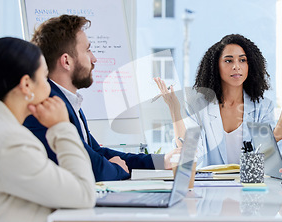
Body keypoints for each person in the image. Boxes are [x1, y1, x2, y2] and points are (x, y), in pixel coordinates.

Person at [23, 14, 179, 182]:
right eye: (87, 50)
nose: (94, 58)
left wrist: (160, 161)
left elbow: (97, 153)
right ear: (66, 61)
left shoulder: (68, 101)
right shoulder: (48, 105)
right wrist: (118, 169)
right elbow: (95, 169)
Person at [0, 37, 95, 222]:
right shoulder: (8, 141)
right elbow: (84, 195)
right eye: (45, 78)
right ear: (27, 84)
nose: (49, 87)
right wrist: (62, 127)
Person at [154, 34, 282, 167]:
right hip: (209, 191)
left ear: (250, 65)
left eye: (242, 60)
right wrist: (175, 110)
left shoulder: (262, 106)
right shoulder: (197, 105)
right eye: (228, 60)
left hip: (251, 189)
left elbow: (268, 156)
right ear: (215, 66)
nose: (236, 66)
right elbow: (188, 155)